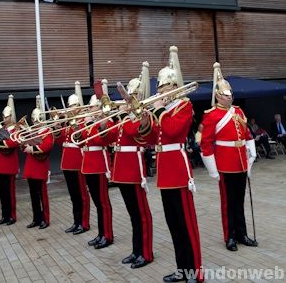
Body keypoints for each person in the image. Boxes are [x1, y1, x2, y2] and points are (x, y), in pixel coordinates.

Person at [150, 46, 203, 283]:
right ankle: (182, 269)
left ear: (174, 87)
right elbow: (151, 138)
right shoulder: (164, 109)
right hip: (164, 172)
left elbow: (172, 131)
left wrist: (160, 109)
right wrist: (144, 118)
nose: (161, 91)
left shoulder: (184, 106)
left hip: (179, 171)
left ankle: (195, 271)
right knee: (174, 225)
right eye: (159, 87)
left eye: (165, 86)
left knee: (186, 224)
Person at [200, 63, 258, 252]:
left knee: (239, 200)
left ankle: (242, 234)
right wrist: (212, 169)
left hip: (241, 162)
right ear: (217, 96)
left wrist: (251, 156)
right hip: (224, 164)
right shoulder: (211, 115)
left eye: (230, 94)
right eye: (226, 94)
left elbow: (247, 135)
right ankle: (230, 236)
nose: (230, 97)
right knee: (228, 203)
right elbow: (206, 143)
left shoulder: (239, 111)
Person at [110, 62, 153, 269]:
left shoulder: (141, 116)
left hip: (134, 170)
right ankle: (136, 250)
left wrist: (129, 113)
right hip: (123, 170)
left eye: (131, 97)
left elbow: (131, 131)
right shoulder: (127, 116)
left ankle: (146, 252)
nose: (126, 101)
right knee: (132, 214)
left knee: (141, 214)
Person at [53, 84, 90, 234]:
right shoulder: (67, 124)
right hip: (67, 163)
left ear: (79, 107)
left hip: (77, 162)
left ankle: (84, 223)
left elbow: (82, 140)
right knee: (73, 195)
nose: (70, 109)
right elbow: (60, 140)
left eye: (73, 106)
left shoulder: (80, 123)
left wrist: (73, 125)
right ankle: (76, 221)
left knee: (82, 195)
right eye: (69, 106)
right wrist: (56, 126)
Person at [78, 94, 114, 249]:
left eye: (91, 107)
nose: (89, 109)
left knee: (103, 203)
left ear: (100, 108)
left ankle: (107, 235)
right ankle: (100, 233)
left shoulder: (106, 122)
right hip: (88, 165)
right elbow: (79, 140)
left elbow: (100, 140)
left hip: (99, 164)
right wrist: (81, 125)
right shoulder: (89, 122)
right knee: (97, 203)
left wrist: (91, 124)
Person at [22, 100, 54, 229]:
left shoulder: (47, 131)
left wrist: (32, 149)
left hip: (40, 166)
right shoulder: (31, 131)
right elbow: (23, 144)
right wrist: (24, 145)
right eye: (33, 119)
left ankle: (45, 219)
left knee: (42, 195)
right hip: (31, 166)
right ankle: (36, 218)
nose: (34, 121)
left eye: (36, 119)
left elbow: (46, 146)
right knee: (33, 195)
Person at [0, 96, 18, 226]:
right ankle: (4, 215)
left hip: (9, 164)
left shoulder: (16, 129)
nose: (4, 119)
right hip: (0, 164)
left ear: (11, 116)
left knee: (10, 192)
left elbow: (14, 143)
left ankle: (12, 215)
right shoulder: (1, 130)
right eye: (4, 116)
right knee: (2, 192)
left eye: (7, 116)